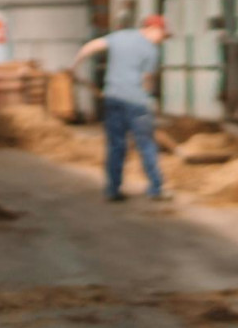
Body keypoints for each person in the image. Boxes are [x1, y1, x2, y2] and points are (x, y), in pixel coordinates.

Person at [70, 14, 172, 202]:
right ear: (152, 29)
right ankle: (156, 188)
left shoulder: (120, 37)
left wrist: (75, 66)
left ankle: (112, 190)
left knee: (116, 145)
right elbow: (147, 80)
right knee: (146, 145)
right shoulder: (151, 50)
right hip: (136, 103)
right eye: (161, 34)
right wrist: (150, 99)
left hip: (113, 99)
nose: (161, 40)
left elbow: (89, 47)